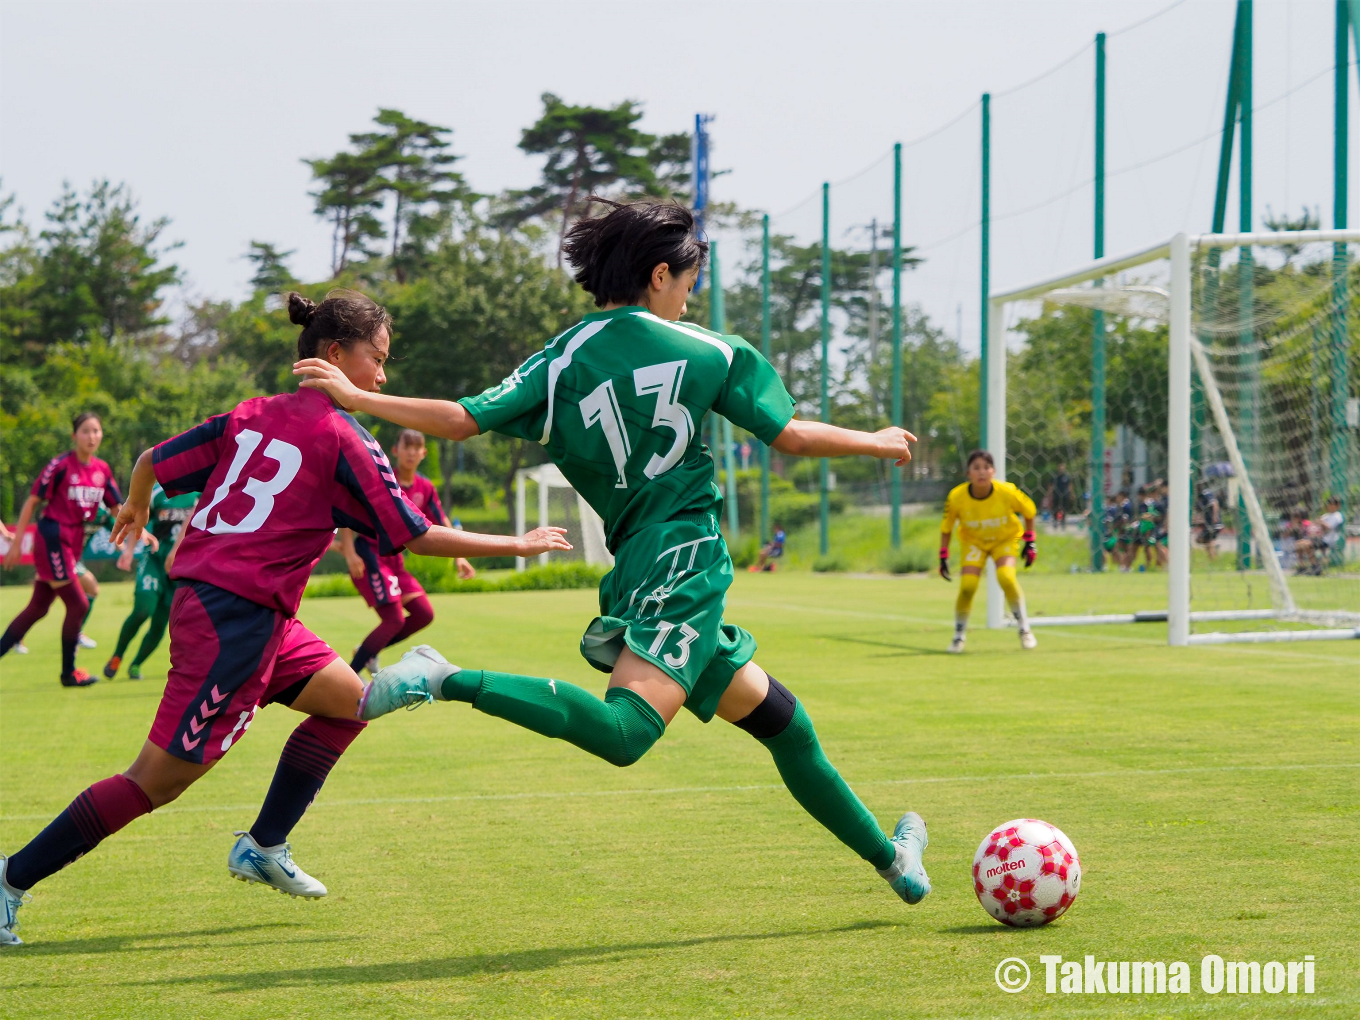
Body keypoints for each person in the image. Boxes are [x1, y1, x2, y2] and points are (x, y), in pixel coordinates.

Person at [293, 200, 933, 911]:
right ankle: (443, 678)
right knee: (627, 734)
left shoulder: (562, 356)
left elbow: (461, 419)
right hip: (684, 557)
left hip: (638, 563)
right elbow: (791, 436)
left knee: (786, 724)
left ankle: (893, 861)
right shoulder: (712, 352)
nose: (688, 300)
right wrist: (875, 441)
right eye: (687, 284)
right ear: (659, 275)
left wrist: (358, 399)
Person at [0, 290, 570, 946]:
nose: (383, 377)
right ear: (336, 355)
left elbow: (152, 461)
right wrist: (517, 544)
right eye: (377, 359)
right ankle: (11, 878)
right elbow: (413, 534)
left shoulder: (252, 413)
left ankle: (265, 845)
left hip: (243, 611)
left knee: (350, 704)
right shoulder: (345, 438)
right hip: (233, 623)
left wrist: (136, 502)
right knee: (154, 782)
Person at [0, 413, 127, 686]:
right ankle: (68, 674)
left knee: (38, 607)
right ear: (74, 436)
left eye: (96, 431)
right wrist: (16, 543)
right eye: (85, 431)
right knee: (79, 604)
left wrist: (138, 530)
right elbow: (32, 501)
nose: (91, 436)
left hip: (72, 541)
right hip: (53, 538)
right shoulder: (59, 466)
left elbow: (116, 507)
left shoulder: (102, 470)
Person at [339, 428, 474, 675]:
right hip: (370, 555)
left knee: (424, 614)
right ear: (395, 451)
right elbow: (348, 512)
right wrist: (349, 552)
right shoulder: (381, 479)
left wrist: (460, 556)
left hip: (395, 560)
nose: (411, 453)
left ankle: (367, 652)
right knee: (394, 620)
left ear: (423, 453)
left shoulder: (425, 487)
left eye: (416, 448)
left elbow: (441, 521)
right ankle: (349, 678)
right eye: (406, 447)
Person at [939, 450, 1038, 653]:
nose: (982, 472)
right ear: (968, 473)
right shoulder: (956, 497)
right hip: (974, 542)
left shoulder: (1007, 491)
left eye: (986, 467)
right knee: (967, 586)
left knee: (1006, 577)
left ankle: (1024, 629)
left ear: (994, 471)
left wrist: (1030, 541)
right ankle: (958, 636)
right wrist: (943, 555)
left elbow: (1030, 511)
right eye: (976, 468)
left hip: (1005, 539)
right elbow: (946, 527)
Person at [103, 482, 195, 680]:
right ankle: (117, 655)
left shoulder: (201, 493)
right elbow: (138, 519)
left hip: (182, 567)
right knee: (143, 609)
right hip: (155, 559)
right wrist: (129, 551)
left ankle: (136, 664)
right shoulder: (158, 493)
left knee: (161, 623)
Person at [1196, 487, 1223, 563]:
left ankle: (1214, 547)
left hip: (1213, 524)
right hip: (1211, 525)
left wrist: (1215, 516)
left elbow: (1214, 503)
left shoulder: (1206, 493)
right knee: (1207, 541)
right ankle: (1213, 551)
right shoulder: (1200, 497)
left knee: (1200, 539)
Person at [1319, 496, 1345, 570]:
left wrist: (1322, 523)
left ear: (1337, 505)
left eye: (1331, 504)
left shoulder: (1337, 516)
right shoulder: (1325, 516)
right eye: (1329, 504)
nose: (1329, 506)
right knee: (1305, 544)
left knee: (1312, 544)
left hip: (1331, 539)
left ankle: (1318, 566)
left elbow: (1330, 527)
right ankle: (1313, 565)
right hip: (1321, 537)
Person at [1049, 462, 1072, 530]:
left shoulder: (1067, 476)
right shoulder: (1055, 477)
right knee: (1055, 508)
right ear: (1058, 468)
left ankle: (1063, 522)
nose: (1061, 469)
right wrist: (1049, 494)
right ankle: (1055, 521)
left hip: (1065, 495)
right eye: (1060, 467)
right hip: (1056, 495)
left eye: (1062, 467)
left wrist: (1071, 494)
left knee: (1064, 509)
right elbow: (1051, 486)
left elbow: (1070, 485)